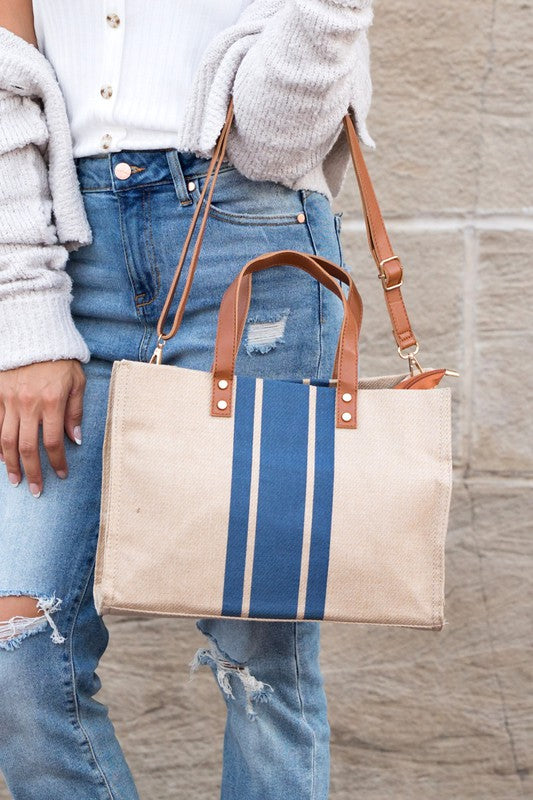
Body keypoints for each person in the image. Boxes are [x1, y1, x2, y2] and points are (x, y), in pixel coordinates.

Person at [0, 1, 374, 797]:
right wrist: (23, 316)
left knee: (261, 653)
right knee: (17, 639)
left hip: (251, 240)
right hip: (70, 251)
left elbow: (279, 140)